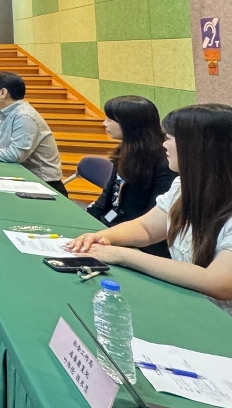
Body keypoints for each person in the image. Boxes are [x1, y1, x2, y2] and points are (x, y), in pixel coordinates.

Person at [67, 104, 232, 315]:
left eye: (169, 138)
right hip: (191, 305)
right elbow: (146, 229)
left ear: (196, 148)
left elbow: (218, 282)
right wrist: (103, 237)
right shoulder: (183, 186)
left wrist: (122, 255)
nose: (164, 145)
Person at [85, 95, 175, 256]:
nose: (104, 123)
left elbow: (152, 218)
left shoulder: (164, 162)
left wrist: (111, 236)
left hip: (137, 242)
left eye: (110, 119)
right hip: (111, 227)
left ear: (129, 124)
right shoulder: (125, 150)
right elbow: (108, 195)